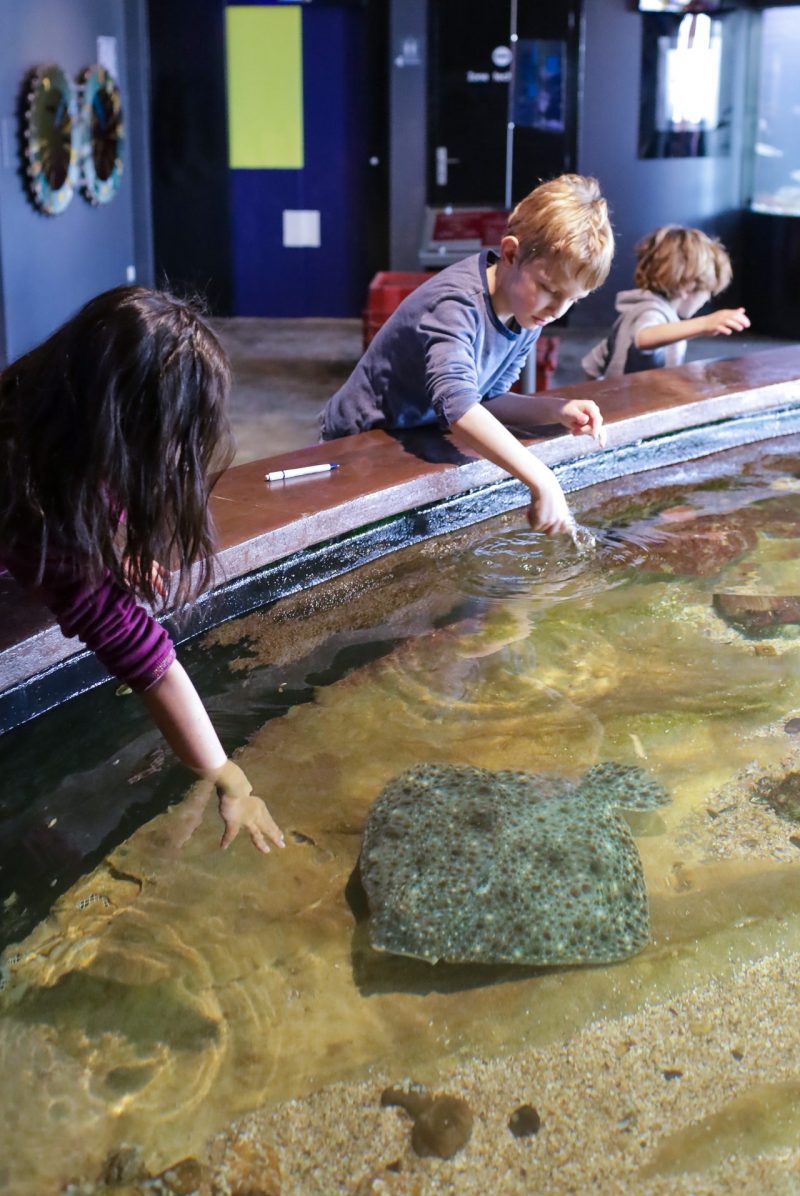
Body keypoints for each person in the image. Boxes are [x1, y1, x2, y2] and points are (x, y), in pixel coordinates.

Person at [0, 286, 284, 856]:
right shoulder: (28, 490)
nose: (181, 457)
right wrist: (228, 777)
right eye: (172, 437)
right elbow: (140, 652)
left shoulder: (49, 409)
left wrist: (112, 550)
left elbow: (99, 495)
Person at [321, 174, 615, 535]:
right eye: (548, 288)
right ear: (510, 253)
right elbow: (460, 409)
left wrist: (555, 409)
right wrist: (542, 478)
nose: (557, 309)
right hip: (357, 440)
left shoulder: (528, 312)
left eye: (573, 299)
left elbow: (486, 399)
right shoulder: (456, 305)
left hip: (412, 434)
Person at [582, 225, 750, 380]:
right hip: (627, 402)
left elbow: (596, 359)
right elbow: (643, 337)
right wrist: (705, 324)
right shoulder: (650, 311)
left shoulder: (646, 309)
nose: (707, 299)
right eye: (708, 292)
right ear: (687, 285)